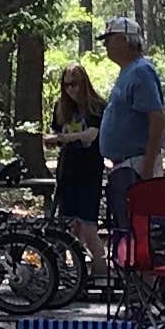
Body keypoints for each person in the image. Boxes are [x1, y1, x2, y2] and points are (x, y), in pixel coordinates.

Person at [95, 17, 165, 242]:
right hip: (123, 165)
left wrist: (147, 164)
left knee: (137, 228)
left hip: (135, 165)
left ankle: (143, 275)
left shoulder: (141, 72)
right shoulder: (127, 72)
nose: (105, 45)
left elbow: (156, 118)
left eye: (109, 39)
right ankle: (131, 272)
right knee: (125, 227)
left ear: (125, 41)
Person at [51, 58, 107, 227]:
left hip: (89, 172)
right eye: (66, 85)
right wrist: (53, 140)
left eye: (74, 84)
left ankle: (97, 255)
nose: (70, 90)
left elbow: (91, 134)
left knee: (88, 227)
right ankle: (76, 255)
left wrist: (62, 138)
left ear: (84, 83)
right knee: (69, 227)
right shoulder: (60, 107)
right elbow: (57, 131)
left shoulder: (97, 107)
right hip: (67, 171)